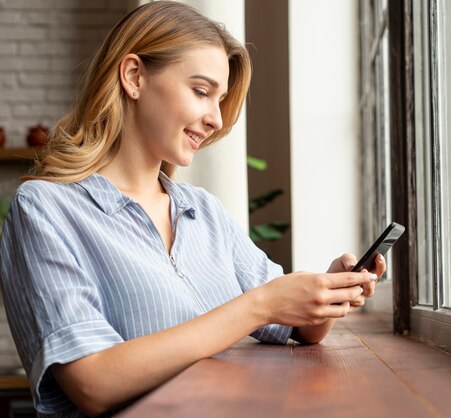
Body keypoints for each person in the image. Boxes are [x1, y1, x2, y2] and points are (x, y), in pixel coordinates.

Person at [0, 2, 385, 417]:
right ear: (134, 77)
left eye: (219, 100)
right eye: (201, 92)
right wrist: (261, 305)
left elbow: (294, 327)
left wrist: (326, 293)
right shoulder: (45, 209)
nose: (217, 119)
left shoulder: (204, 212)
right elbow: (93, 383)